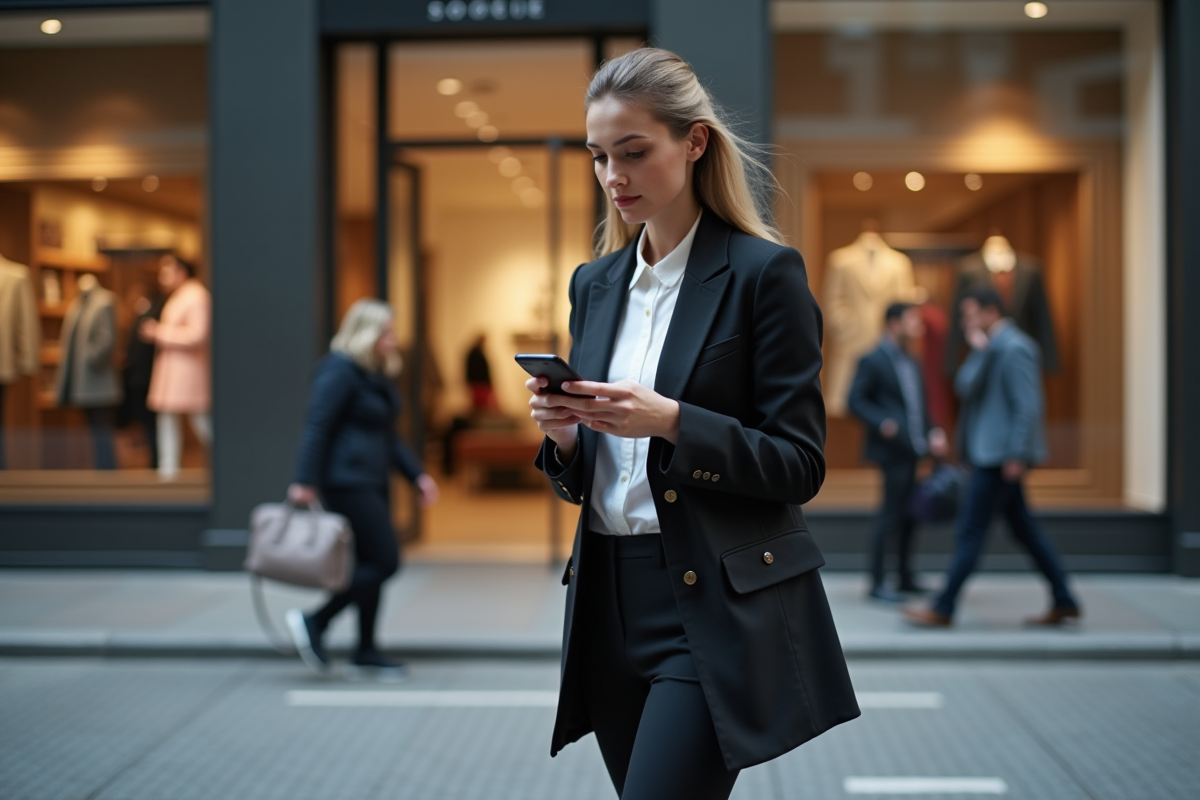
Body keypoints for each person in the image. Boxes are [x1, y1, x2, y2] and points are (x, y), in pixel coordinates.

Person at [525, 48, 859, 800]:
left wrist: (673, 421)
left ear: (694, 142)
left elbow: (799, 463)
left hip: (708, 602)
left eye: (634, 153)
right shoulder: (597, 284)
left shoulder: (763, 274)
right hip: (607, 602)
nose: (614, 178)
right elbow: (592, 478)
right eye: (599, 157)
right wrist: (566, 434)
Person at [904, 287, 1082, 627]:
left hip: (999, 458)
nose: (964, 321)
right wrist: (979, 353)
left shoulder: (1016, 347)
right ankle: (1064, 598)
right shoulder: (989, 348)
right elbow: (964, 387)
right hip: (989, 455)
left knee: (971, 531)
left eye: (969, 314)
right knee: (1025, 530)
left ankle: (943, 607)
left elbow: (1027, 407)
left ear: (990, 313)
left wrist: (1017, 454)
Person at [286, 299, 440, 678]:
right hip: (347, 481)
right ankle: (316, 621)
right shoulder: (339, 370)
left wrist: (416, 475)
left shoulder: (372, 373)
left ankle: (366, 648)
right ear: (367, 333)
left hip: (371, 479)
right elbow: (317, 424)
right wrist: (304, 480)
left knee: (369, 561)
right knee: (385, 561)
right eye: (388, 332)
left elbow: (387, 435)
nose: (394, 339)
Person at [849, 302, 948, 603]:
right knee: (889, 516)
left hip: (916, 450)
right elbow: (855, 400)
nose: (917, 327)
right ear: (894, 323)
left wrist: (934, 431)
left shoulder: (912, 360)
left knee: (910, 515)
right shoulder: (873, 359)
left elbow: (920, 405)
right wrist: (884, 423)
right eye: (911, 321)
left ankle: (905, 577)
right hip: (891, 451)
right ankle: (878, 582)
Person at [140, 254, 211, 480]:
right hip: (174, 371)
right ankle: (168, 472)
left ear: (181, 272)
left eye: (167, 271)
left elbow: (198, 334)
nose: (162, 277)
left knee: (201, 421)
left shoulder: (197, 296)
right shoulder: (180, 296)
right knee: (168, 420)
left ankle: (229, 462)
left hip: (187, 371)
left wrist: (159, 332)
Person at [465, 332, 497, 411]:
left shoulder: (477, 352)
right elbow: (475, 370)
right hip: (479, 384)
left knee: (483, 405)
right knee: (480, 405)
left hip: (480, 383)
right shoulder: (475, 353)